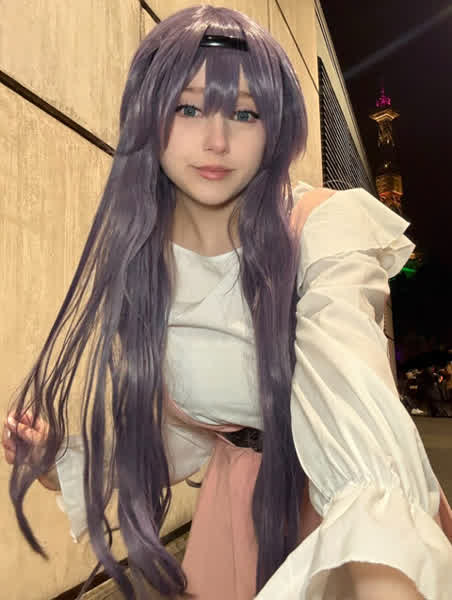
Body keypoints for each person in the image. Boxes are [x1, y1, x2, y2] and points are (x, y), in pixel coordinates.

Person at [2, 5, 452, 600]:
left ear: (276, 128)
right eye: (188, 108)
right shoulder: (146, 264)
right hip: (235, 517)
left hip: (332, 512)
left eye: (244, 113)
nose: (216, 141)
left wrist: (380, 569)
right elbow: (180, 437)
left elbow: (353, 393)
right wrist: (57, 456)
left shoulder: (319, 228)